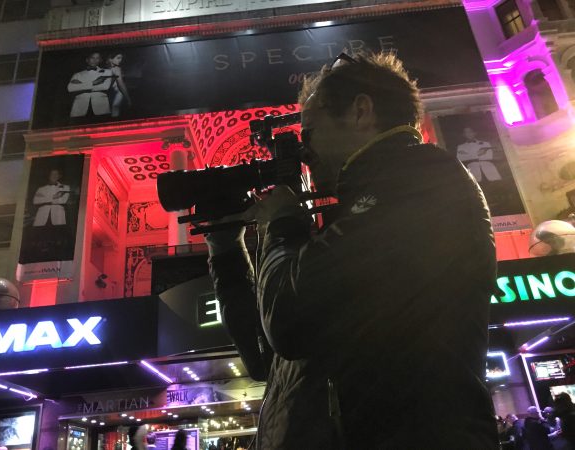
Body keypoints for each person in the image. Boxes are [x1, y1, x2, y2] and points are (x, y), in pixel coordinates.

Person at [206, 51, 498, 448]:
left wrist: (282, 223)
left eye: (309, 132)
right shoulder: (350, 207)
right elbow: (265, 357)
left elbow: (289, 321)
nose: (304, 152)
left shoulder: (423, 178)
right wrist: (225, 249)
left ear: (361, 111)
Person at [67, 51, 114, 121]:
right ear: (87, 60)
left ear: (100, 60)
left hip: (101, 108)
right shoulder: (78, 74)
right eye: (92, 58)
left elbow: (105, 87)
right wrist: (94, 83)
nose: (95, 60)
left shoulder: (107, 72)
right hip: (79, 109)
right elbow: (70, 88)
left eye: (97, 58)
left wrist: (81, 85)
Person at [106, 52, 132, 117]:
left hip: (113, 94)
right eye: (118, 58)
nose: (120, 60)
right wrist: (128, 99)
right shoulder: (117, 69)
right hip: (118, 93)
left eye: (121, 58)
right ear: (110, 59)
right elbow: (121, 84)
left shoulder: (107, 69)